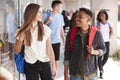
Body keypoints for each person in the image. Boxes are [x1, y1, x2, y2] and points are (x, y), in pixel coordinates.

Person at [14, 3, 56, 80]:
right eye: (39, 12)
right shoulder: (22, 31)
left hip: (45, 64)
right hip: (30, 65)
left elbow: (49, 49)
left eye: (41, 12)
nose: (42, 14)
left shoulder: (45, 29)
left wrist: (54, 66)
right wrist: (20, 39)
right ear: (32, 13)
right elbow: (16, 51)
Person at [64, 8, 106, 80]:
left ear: (88, 19)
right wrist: (65, 73)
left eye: (80, 17)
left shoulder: (97, 33)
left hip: (91, 74)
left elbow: (104, 49)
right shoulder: (71, 33)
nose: (76, 19)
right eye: (77, 16)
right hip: (75, 74)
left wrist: (94, 52)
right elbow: (67, 54)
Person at [42, 0, 65, 78]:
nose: (61, 8)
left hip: (57, 41)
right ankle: (48, 75)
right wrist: (47, 21)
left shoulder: (60, 17)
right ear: (55, 7)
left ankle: (54, 77)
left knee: (56, 60)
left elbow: (61, 30)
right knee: (47, 60)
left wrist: (64, 41)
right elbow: (40, 28)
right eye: (60, 6)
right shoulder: (46, 15)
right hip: (47, 42)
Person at [96, 10, 113, 79]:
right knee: (100, 57)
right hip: (100, 42)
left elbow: (111, 31)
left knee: (106, 57)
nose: (102, 16)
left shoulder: (109, 23)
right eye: (100, 15)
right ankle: (101, 71)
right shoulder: (98, 24)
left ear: (106, 15)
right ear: (99, 17)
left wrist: (108, 37)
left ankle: (100, 66)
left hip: (107, 42)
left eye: (103, 14)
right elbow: (96, 32)